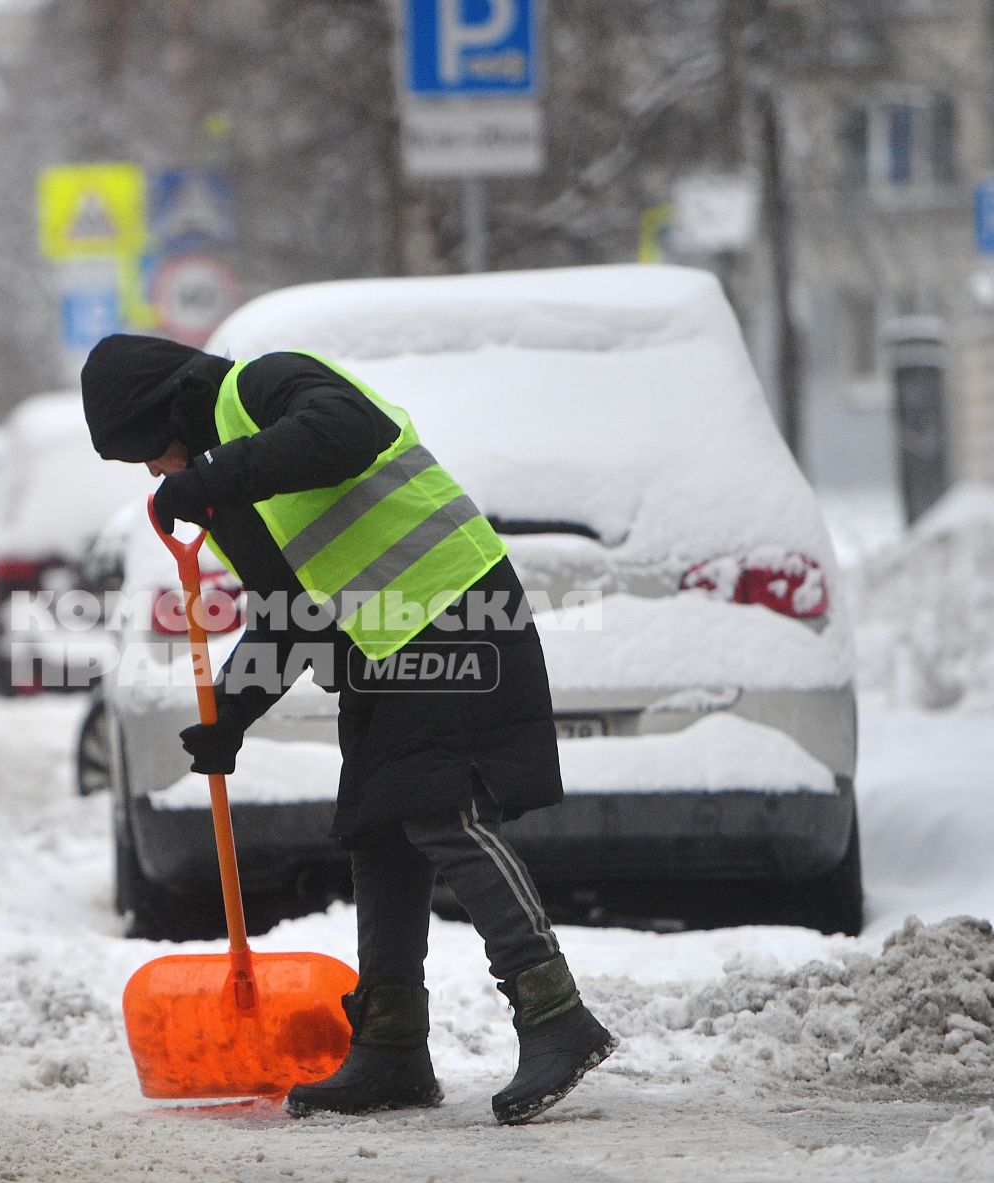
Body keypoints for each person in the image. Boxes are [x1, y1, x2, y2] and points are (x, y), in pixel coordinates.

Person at [81, 333, 616, 1125]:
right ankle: (392, 1047)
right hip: (379, 648)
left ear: (164, 418)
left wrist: (214, 477)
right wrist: (230, 711)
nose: (156, 474)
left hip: (457, 612)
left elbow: (345, 433)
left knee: (444, 813)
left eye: (146, 456)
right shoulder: (227, 492)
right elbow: (291, 613)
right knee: (377, 832)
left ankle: (555, 1013)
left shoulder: (264, 385)